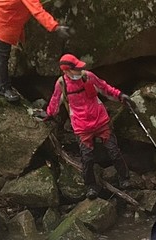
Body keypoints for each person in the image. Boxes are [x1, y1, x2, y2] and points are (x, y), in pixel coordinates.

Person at [37, 54, 133, 199]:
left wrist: (120, 96)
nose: (79, 71)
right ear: (66, 71)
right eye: (76, 69)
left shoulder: (88, 76)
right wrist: (48, 114)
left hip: (101, 121)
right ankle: (91, 186)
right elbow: (55, 101)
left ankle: (124, 178)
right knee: (87, 158)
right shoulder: (62, 84)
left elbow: (104, 87)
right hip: (81, 127)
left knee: (114, 151)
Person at [0, 0, 70, 103]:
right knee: (2, 56)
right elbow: (37, 11)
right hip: (2, 21)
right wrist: (55, 27)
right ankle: (4, 88)